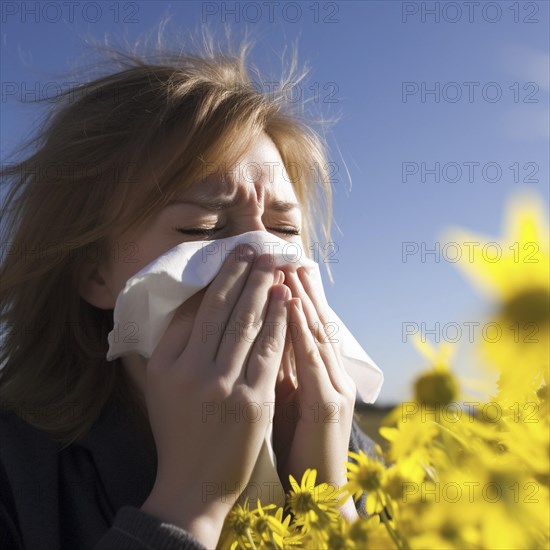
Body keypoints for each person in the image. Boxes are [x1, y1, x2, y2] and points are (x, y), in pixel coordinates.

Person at [0, 33, 381, 549]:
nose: (265, 259)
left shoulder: (346, 444)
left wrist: (330, 504)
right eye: (204, 230)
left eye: (285, 231)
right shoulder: (20, 474)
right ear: (95, 273)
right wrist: (187, 509)